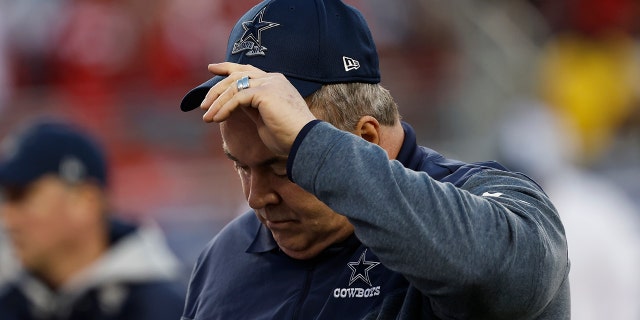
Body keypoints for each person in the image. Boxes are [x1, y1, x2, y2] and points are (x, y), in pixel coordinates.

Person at [178, 0, 570, 319]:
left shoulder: (491, 198)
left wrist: (309, 143)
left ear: (366, 139)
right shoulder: (226, 256)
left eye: (283, 166)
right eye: (241, 167)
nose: (255, 197)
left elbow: (511, 280)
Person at [0, 118, 185, 320]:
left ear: (85, 201)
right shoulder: (12, 302)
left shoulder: (162, 309)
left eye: (20, 196)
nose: (7, 219)